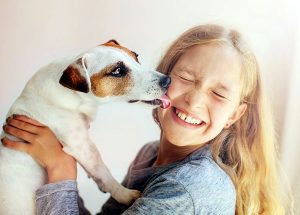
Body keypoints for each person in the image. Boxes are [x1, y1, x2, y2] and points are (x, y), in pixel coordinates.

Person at [1, 24, 285, 214]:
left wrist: (60, 168)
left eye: (219, 94)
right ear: (162, 77)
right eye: (184, 78)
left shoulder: (188, 190)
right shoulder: (149, 155)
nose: (194, 100)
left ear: (234, 115)